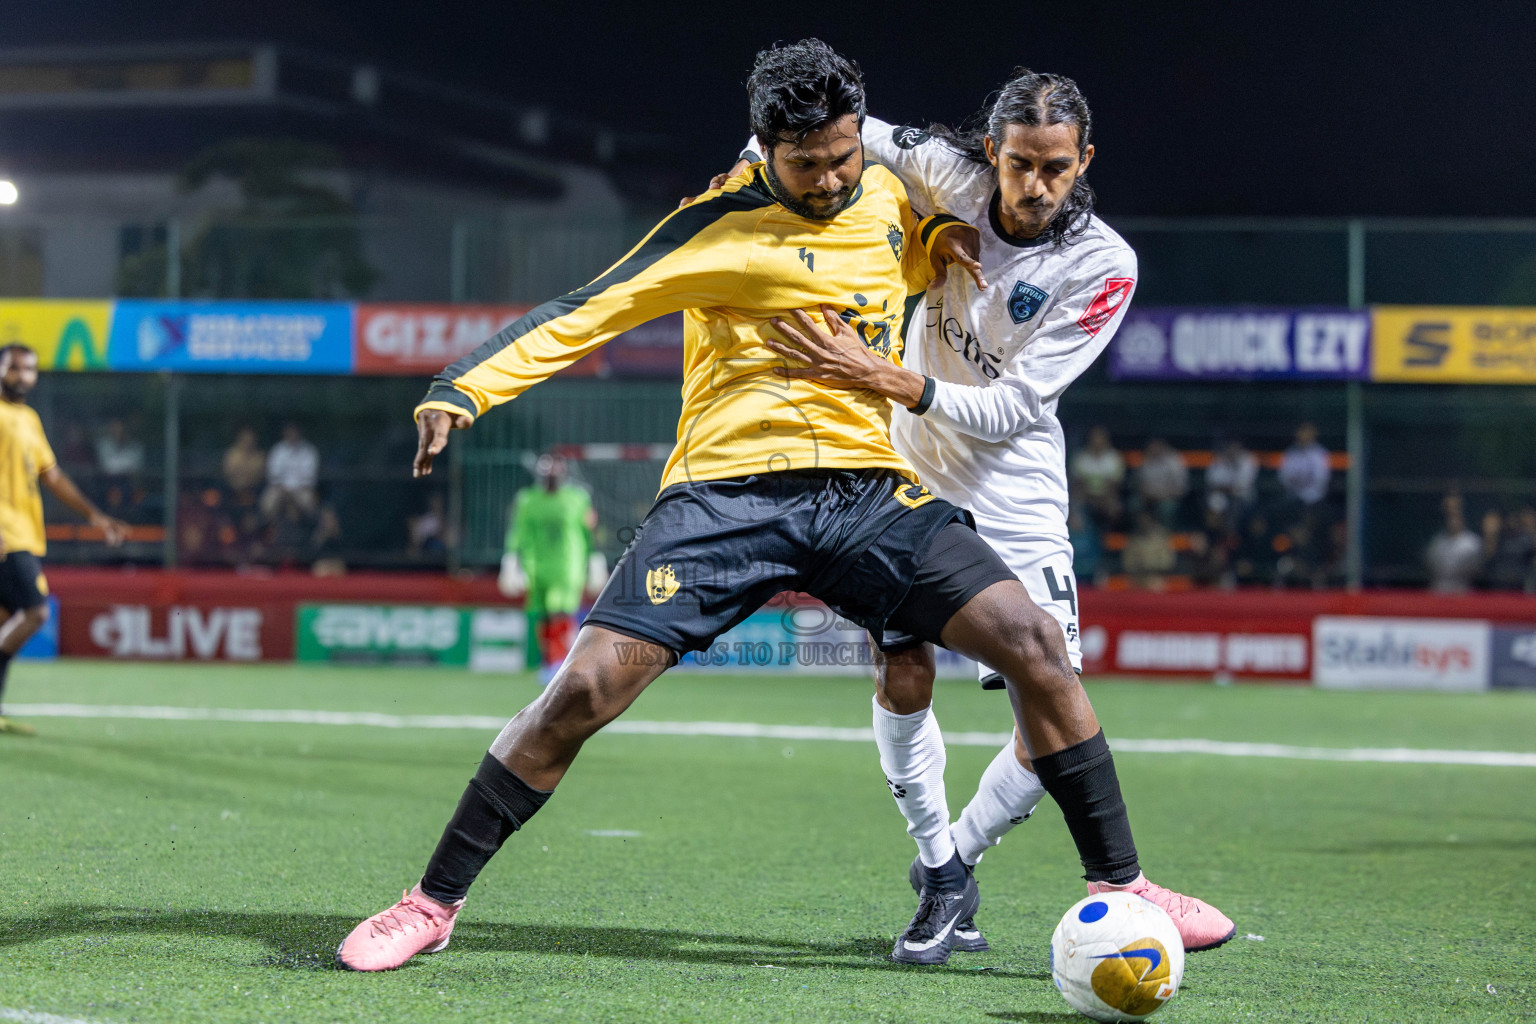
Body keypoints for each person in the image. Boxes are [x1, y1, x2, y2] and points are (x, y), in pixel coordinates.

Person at [338, 41, 1224, 973]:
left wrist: (932, 239)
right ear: (763, 148)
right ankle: (430, 904)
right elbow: (587, 309)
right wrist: (460, 389)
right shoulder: (716, 225)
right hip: (725, 500)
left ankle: (1121, 886)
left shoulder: (889, 197)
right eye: (808, 164)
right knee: (587, 689)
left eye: (845, 153)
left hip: (865, 496)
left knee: (1038, 646)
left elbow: (896, 250)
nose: (834, 177)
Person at [738, 69, 1232, 958]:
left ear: (1083, 161)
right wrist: (914, 224)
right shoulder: (944, 171)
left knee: (1052, 700)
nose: (1033, 186)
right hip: (902, 475)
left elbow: (1014, 410)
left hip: (1014, 496)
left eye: (1053, 167)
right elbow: (799, 147)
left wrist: (892, 377)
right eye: (1016, 165)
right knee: (903, 670)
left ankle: (952, 862)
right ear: (989, 153)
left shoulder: (1102, 265)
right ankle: (937, 865)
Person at [0, 344, 129, 735]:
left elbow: (51, 475)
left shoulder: (28, 418)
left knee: (8, 619)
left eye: (30, 369)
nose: (23, 376)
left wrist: (95, 516)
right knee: (35, 612)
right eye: (14, 368)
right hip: (7, 535)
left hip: (24, 532)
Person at [500, 455, 595, 679]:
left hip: (567, 564)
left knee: (560, 611)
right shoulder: (527, 500)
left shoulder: (577, 498)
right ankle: (549, 660)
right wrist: (511, 560)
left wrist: (594, 559)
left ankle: (561, 662)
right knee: (543, 615)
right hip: (537, 566)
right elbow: (519, 531)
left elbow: (587, 531)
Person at [1425, 493, 1482, 593]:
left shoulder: (1473, 543)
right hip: (1438, 593)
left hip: (1463, 592)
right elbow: (1430, 566)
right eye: (1450, 517)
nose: (1453, 520)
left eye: (1456, 516)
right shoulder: (1437, 542)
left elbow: (1476, 570)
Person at [261, 422, 319, 519]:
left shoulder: (309, 451)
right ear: (285, 433)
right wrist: (285, 491)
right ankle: (270, 530)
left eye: (295, 432)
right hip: (280, 489)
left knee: (309, 502)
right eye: (290, 431)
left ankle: (308, 529)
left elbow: (309, 478)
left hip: (301, 490)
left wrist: (295, 491)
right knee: (267, 504)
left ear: (299, 433)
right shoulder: (277, 450)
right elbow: (273, 476)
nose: (292, 434)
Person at [1071, 426, 1125, 528]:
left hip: (1107, 496)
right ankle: (1082, 534)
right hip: (1085, 496)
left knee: (1115, 505)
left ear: (1105, 439)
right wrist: (1092, 497)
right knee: (1075, 501)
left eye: (1100, 437)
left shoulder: (1114, 458)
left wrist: (1101, 497)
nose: (1097, 441)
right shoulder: (1081, 458)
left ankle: (1109, 535)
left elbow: (1115, 483)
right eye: (1095, 438)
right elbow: (1078, 483)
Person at [1278, 422, 1330, 519]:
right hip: (1292, 500)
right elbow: (1283, 477)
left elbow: (1321, 480)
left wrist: (1300, 481)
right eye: (1302, 431)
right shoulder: (1290, 453)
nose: (1304, 434)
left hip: (1315, 500)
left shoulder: (1320, 453)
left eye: (1307, 431)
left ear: (1314, 433)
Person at [1205, 437, 1258, 529]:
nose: (1233, 450)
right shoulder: (1220, 459)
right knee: (1214, 501)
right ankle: (1214, 530)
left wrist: (1228, 487)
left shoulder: (1248, 459)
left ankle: (1232, 533)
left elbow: (1243, 484)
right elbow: (1212, 480)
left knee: (1235, 505)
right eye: (1230, 447)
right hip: (1222, 494)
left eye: (1236, 447)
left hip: (1243, 496)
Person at [1136, 438, 1188, 528]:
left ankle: (1166, 536)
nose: (1153, 449)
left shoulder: (1175, 461)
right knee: (1135, 505)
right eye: (1151, 446)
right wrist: (1149, 495)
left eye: (1156, 446)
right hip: (1149, 498)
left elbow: (1181, 488)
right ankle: (1141, 535)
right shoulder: (1146, 460)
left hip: (1169, 497)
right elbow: (1140, 484)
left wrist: (1161, 495)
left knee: (1166, 509)